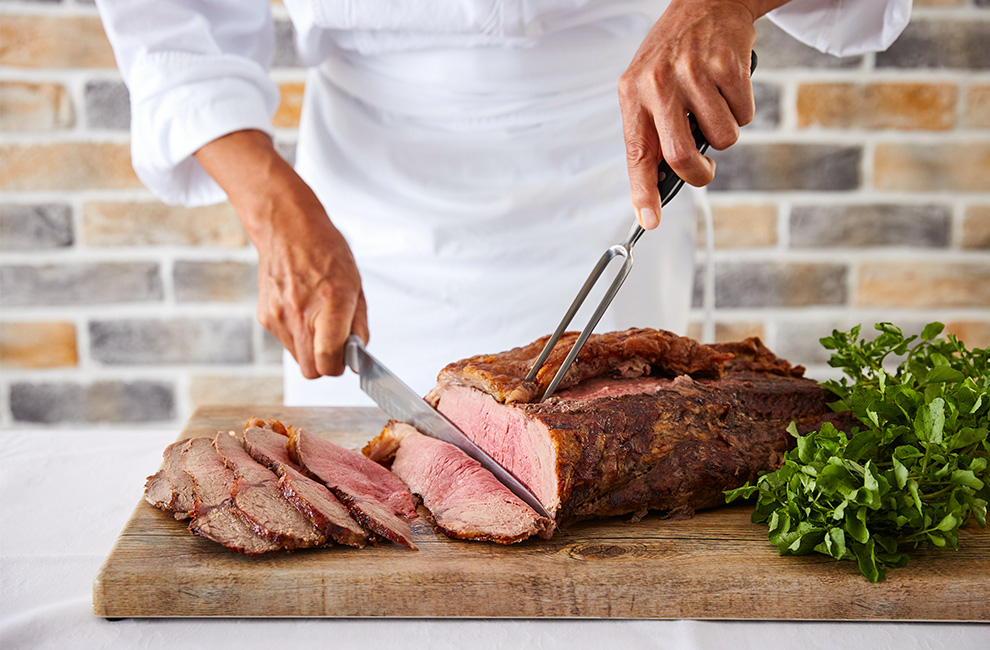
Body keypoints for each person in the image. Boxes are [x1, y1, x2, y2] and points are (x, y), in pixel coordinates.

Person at [95, 0, 911, 405]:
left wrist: (723, 4)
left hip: (616, 175)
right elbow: (169, 23)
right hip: (362, 216)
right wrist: (273, 209)